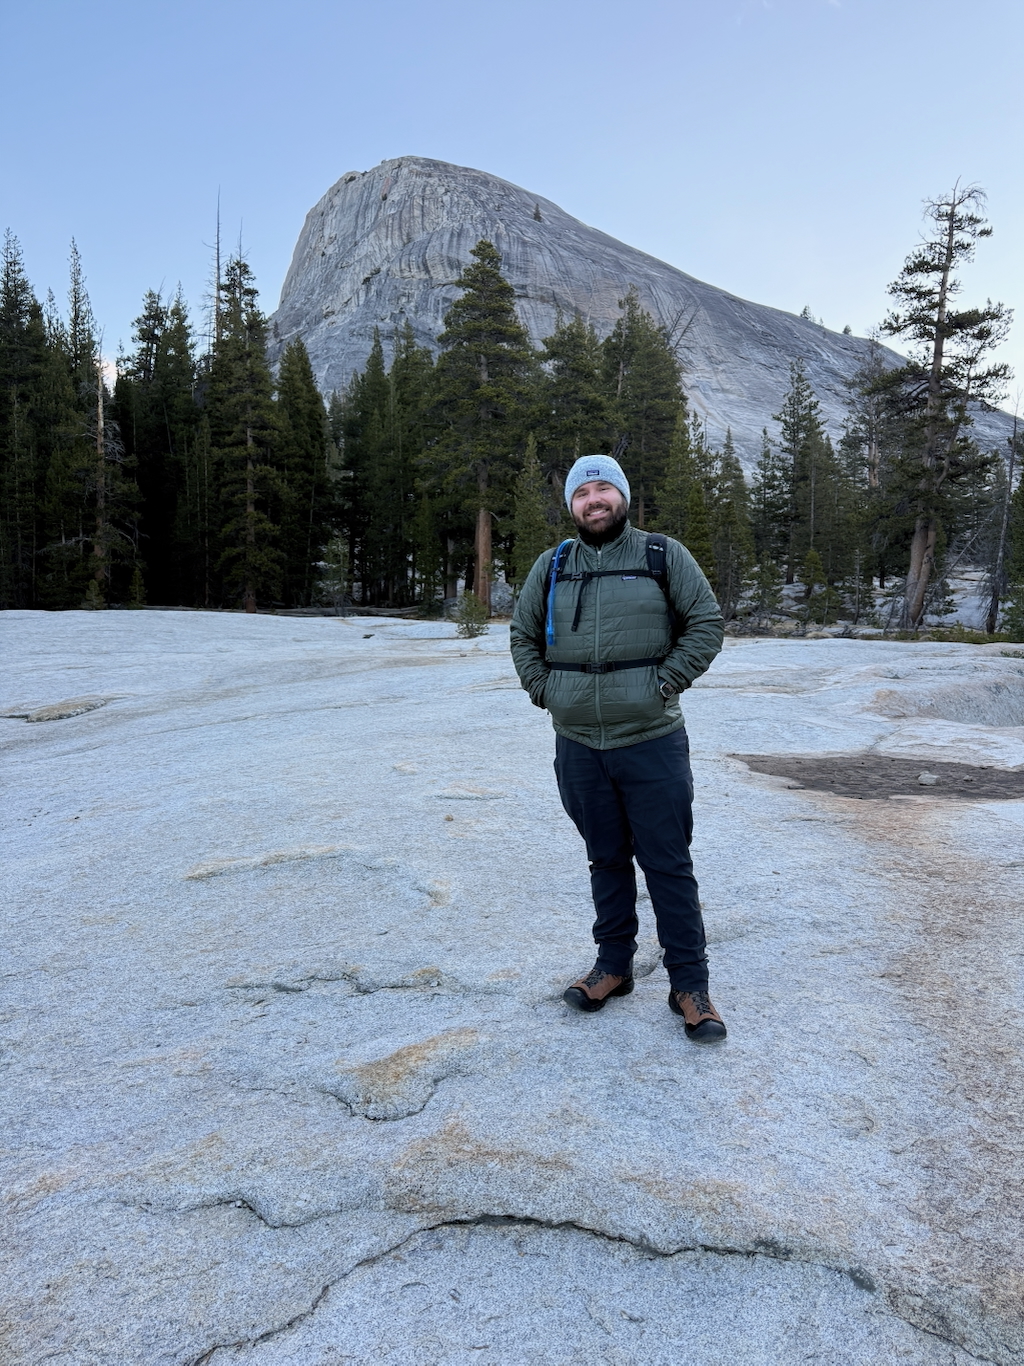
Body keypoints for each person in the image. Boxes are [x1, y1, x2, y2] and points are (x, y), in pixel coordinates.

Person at [509, 453, 727, 1042]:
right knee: (604, 857)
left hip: (651, 739)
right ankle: (612, 967)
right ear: (572, 505)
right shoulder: (553, 563)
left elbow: (706, 623)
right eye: (584, 492)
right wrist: (544, 690)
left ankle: (690, 985)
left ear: (623, 497)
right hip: (578, 743)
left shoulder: (662, 554)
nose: (594, 499)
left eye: (605, 489)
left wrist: (664, 683)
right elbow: (522, 634)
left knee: (668, 864)